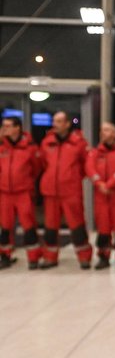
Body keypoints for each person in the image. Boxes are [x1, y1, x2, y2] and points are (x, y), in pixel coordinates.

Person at [38, 111, 93, 269]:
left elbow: (85, 165)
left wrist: (72, 177)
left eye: (60, 121)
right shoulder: (47, 143)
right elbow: (42, 164)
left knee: (77, 226)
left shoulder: (79, 143)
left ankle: (84, 257)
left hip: (71, 191)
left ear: (68, 124)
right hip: (50, 192)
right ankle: (50, 257)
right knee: (50, 227)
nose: (56, 124)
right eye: (54, 121)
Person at [85, 122, 115, 269]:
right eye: (102, 130)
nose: (103, 133)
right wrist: (100, 184)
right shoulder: (94, 153)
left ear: (114, 134)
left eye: (106, 130)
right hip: (101, 197)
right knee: (103, 229)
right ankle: (103, 257)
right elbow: (90, 169)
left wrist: (109, 185)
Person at [0, 115, 43, 269]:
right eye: (3, 126)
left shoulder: (30, 147)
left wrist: (26, 182)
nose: (5, 129)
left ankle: (33, 258)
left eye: (8, 126)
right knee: (5, 226)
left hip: (23, 192)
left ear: (17, 128)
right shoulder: (2, 147)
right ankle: (5, 256)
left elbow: (37, 168)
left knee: (28, 226)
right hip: (5, 192)